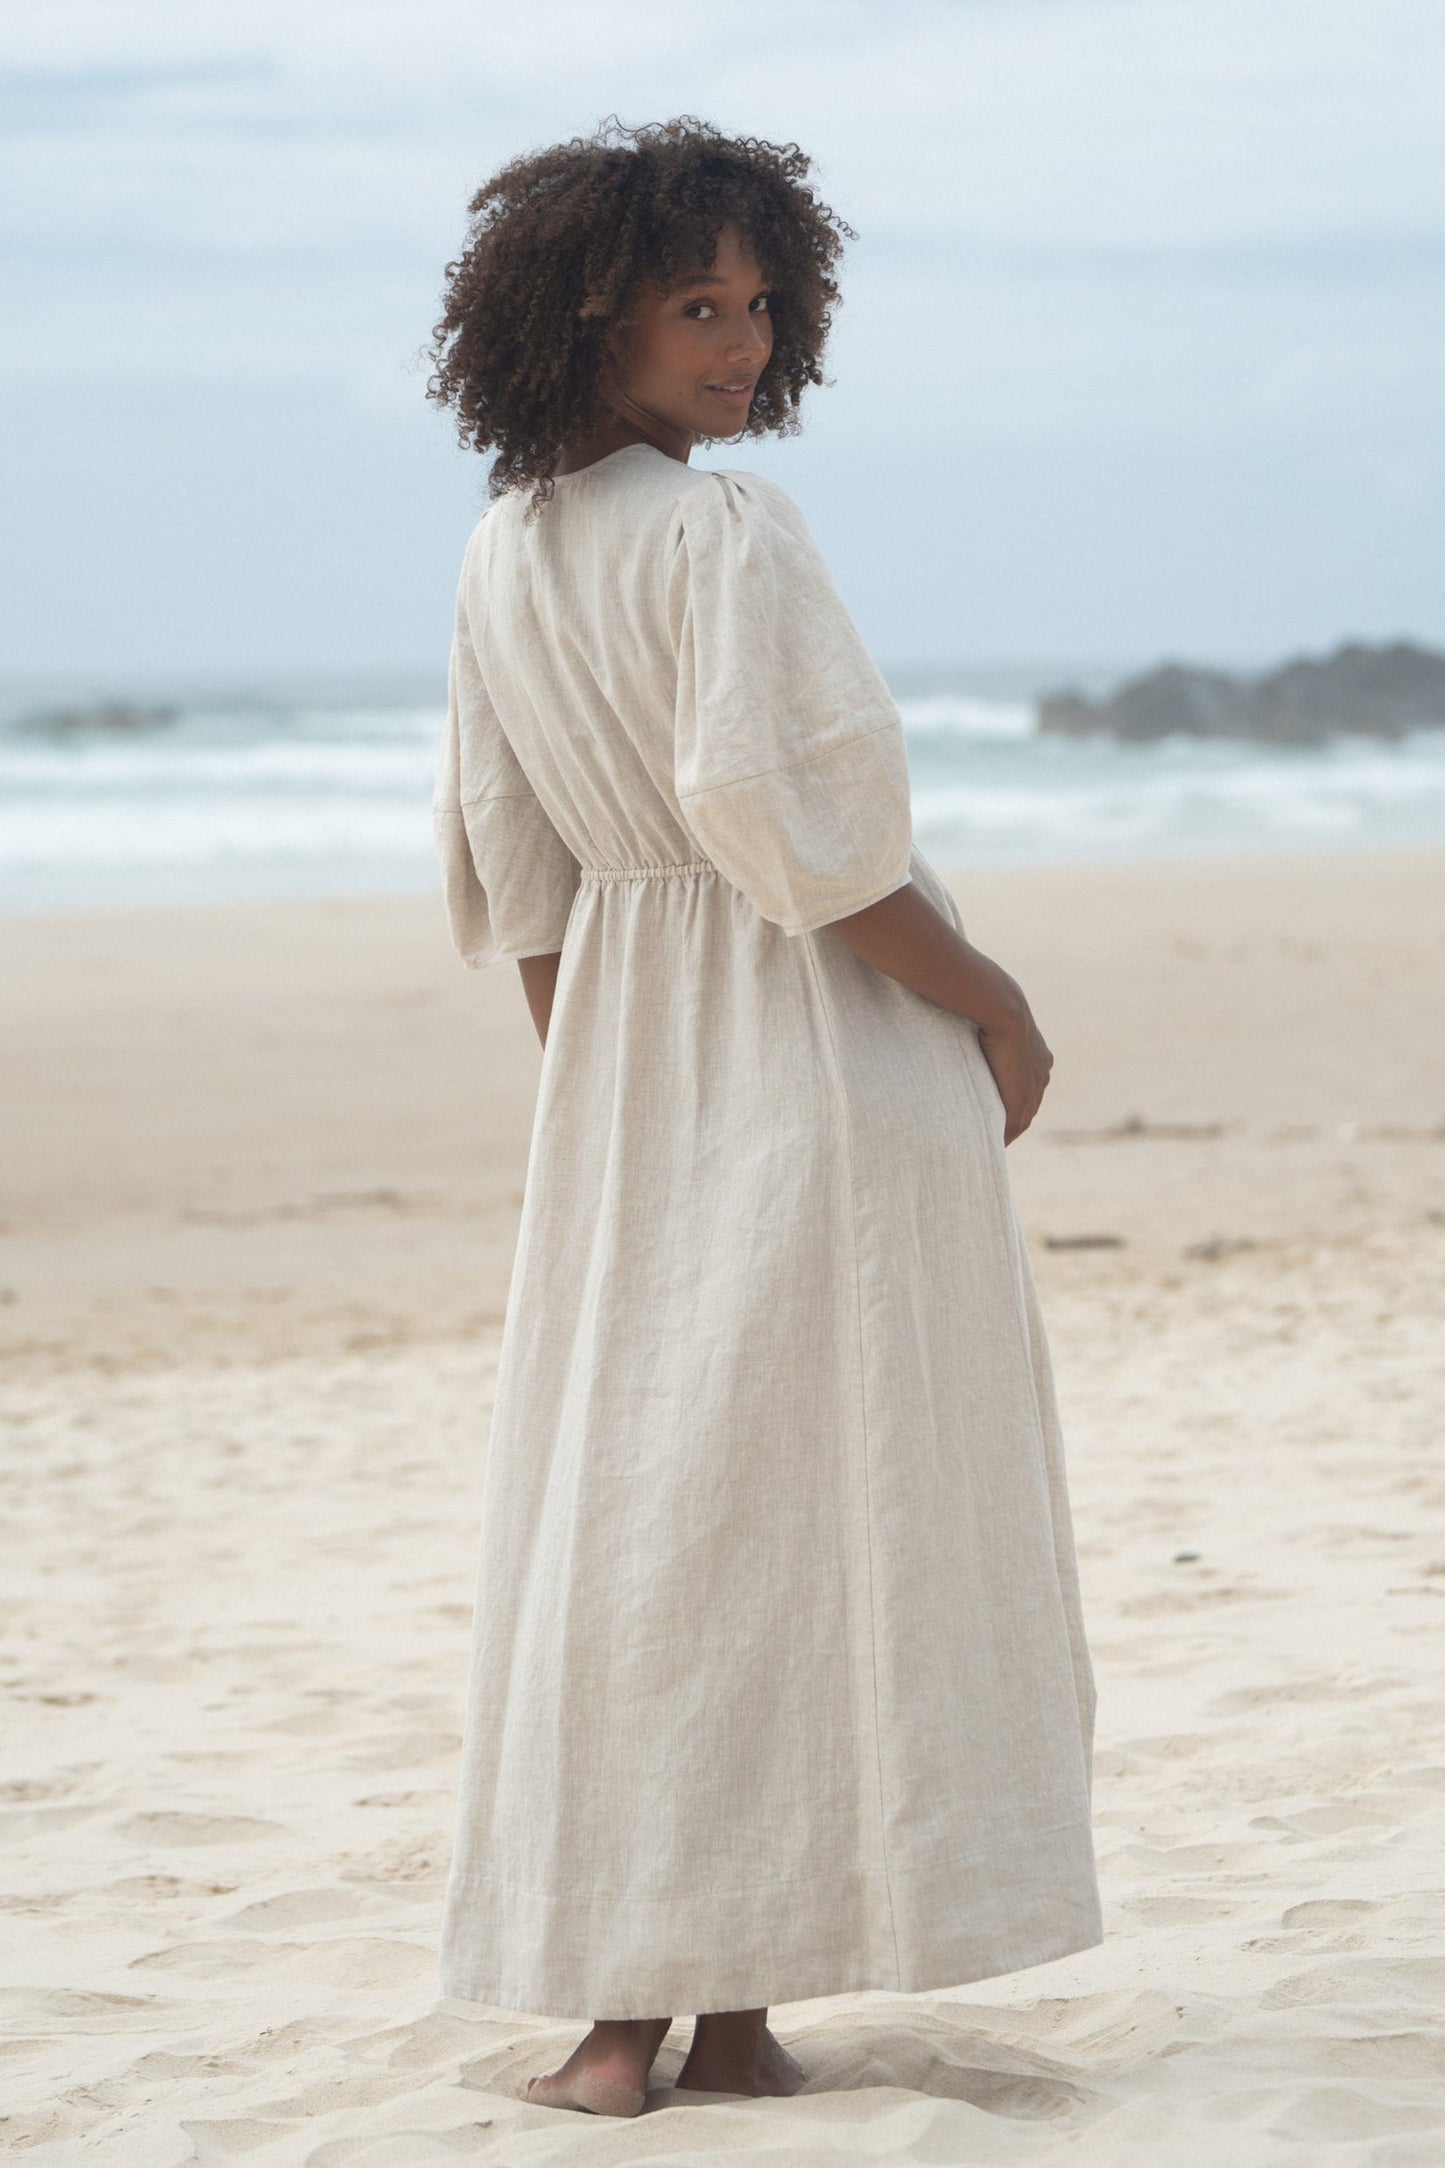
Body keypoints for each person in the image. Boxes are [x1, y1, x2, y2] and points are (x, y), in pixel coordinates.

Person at [426, 116, 1102, 2119]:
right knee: (795, 1517)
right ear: (590, 314)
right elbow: (807, 846)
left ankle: (700, 2014)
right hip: (817, 1049)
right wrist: (995, 1001)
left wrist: (609, 1100)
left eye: (762, 303)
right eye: (698, 305)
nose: (746, 343)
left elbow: (524, 879)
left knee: (663, 1517)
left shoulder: (502, 550)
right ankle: (653, 2009)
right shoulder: (723, 536)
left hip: (638, 1068)